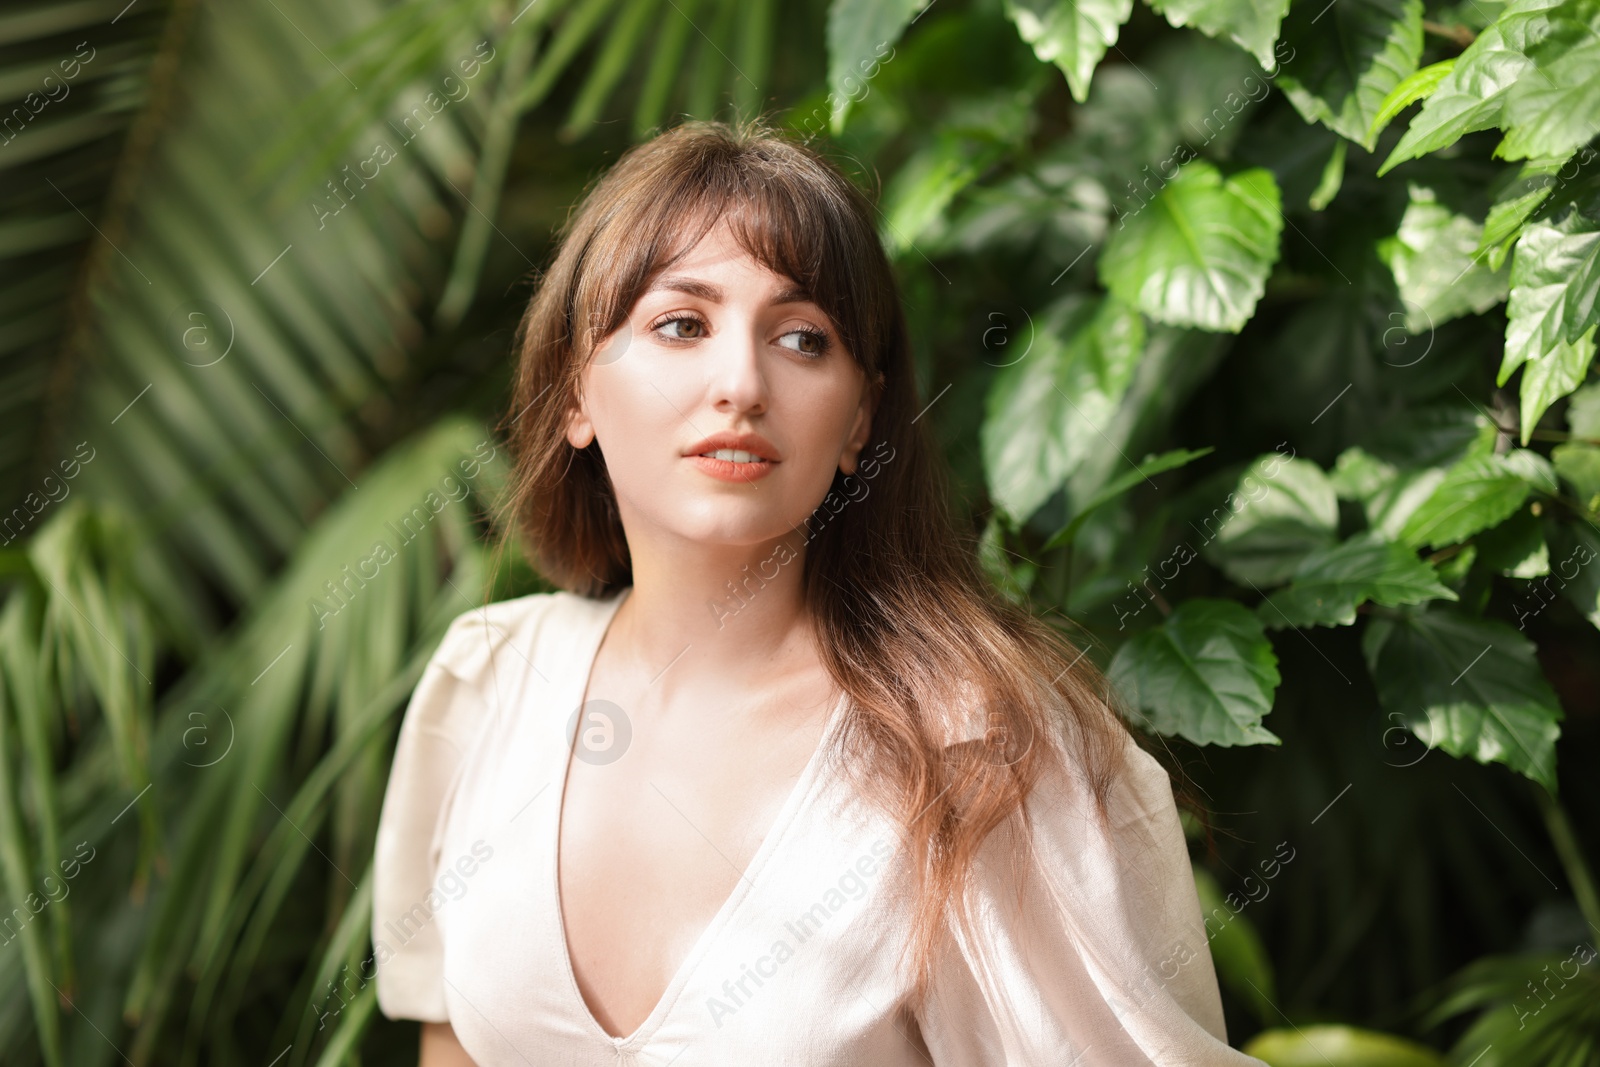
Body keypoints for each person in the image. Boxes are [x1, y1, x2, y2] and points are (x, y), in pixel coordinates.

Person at [371, 117, 1261, 1066]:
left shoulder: (977, 751)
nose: (741, 383)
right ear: (575, 392)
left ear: (859, 421)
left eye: (801, 339)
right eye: (681, 324)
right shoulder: (492, 683)